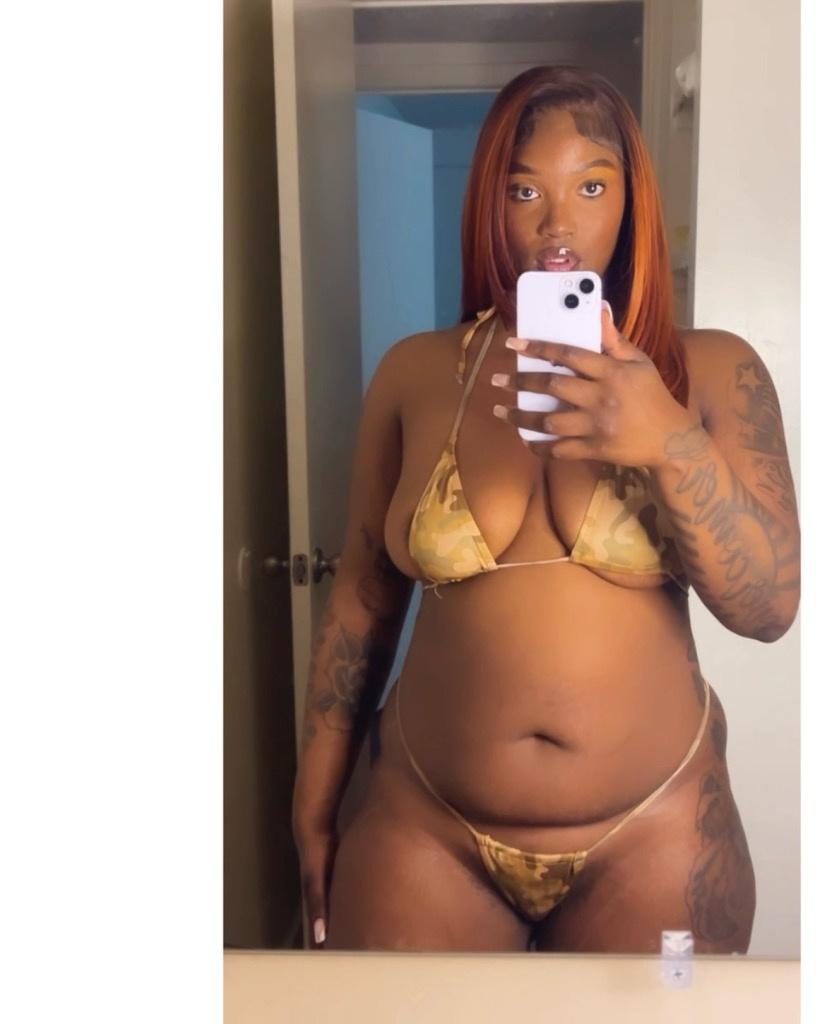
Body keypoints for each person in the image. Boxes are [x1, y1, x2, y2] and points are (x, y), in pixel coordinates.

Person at [292, 65, 800, 955]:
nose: (558, 224)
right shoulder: (415, 373)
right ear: (490, 201)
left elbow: (768, 609)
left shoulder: (714, 370)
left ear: (632, 203)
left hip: (657, 831)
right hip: (425, 828)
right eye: (525, 189)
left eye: (591, 187)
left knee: (669, 1016)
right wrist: (312, 803)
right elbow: (361, 604)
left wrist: (668, 440)